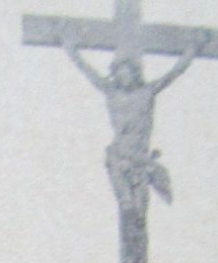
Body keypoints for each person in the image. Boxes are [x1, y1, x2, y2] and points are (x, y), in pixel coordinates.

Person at [61, 31, 205, 214]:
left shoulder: (147, 92)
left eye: (128, 73)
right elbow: (87, 71)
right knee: (126, 205)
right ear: (115, 75)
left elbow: (174, 73)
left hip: (141, 158)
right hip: (119, 156)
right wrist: (70, 48)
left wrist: (192, 50)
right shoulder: (111, 92)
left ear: (135, 74)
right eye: (120, 74)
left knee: (139, 210)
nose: (124, 78)